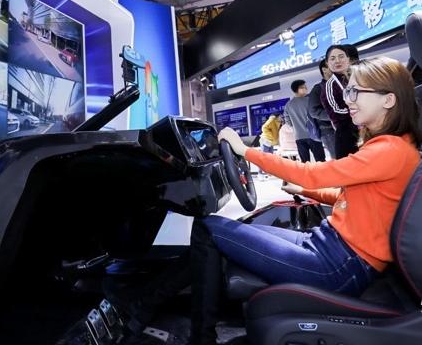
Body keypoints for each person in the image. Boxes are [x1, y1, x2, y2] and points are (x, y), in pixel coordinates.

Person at [111, 57, 421, 345]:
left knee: (208, 228)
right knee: (225, 233)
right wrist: (305, 191)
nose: (347, 100)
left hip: (338, 264)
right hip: (330, 245)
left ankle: (189, 331)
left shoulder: (389, 150)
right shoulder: (395, 147)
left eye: (355, 92)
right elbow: (348, 196)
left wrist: (246, 151)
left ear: (388, 100)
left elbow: (314, 174)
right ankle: (144, 304)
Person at [320, 44, 360, 158]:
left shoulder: (359, 76)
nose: (337, 61)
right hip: (347, 133)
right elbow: (336, 111)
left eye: (341, 56)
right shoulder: (330, 85)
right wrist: (358, 110)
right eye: (332, 58)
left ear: (348, 59)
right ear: (328, 63)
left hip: (368, 127)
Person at [283, 79, 325, 162]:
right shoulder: (309, 100)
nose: (306, 89)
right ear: (296, 89)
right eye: (303, 87)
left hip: (299, 137)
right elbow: (317, 115)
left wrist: (297, 126)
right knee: (320, 160)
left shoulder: (288, 105)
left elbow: (288, 121)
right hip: (314, 135)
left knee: (305, 163)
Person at [308, 58, 336, 158]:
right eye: (331, 65)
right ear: (324, 69)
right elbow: (313, 111)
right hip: (329, 131)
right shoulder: (318, 89)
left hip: (345, 128)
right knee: (339, 159)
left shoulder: (340, 85)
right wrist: (335, 115)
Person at [258, 112, 281, 179]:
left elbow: (275, 133)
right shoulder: (272, 120)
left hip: (270, 142)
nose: (281, 118)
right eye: (280, 116)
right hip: (265, 141)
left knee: (270, 158)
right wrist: (271, 137)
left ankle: (269, 173)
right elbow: (264, 127)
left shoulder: (277, 123)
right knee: (263, 158)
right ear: (277, 117)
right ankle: (260, 173)